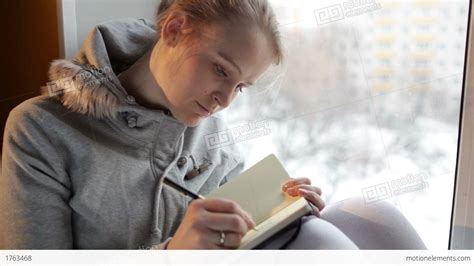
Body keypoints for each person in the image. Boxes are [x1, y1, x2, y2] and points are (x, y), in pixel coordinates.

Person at [0, 0, 426, 250]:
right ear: (174, 29)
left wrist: (283, 206)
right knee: (318, 242)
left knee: (369, 214)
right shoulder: (41, 131)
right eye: (221, 71)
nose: (224, 101)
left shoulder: (211, 130)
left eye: (241, 86)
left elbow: (240, 232)